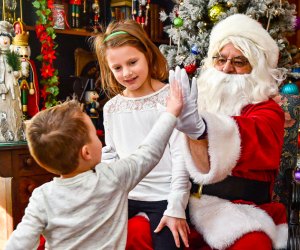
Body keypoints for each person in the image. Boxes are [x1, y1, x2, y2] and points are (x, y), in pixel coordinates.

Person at [130, 13, 288, 249]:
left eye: (239, 61)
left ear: (256, 68)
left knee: (253, 245)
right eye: (220, 59)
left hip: (240, 210)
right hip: (184, 203)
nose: (226, 68)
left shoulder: (267, 110)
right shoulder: (196, 100)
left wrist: (203, 129)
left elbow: (255, 132)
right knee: (135, 233)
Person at [4, 79, 184, 250]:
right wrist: (170, 113)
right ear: (86, 152)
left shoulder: (41, 197)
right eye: (95, 135)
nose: (100, 140)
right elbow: (149, 152)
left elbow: (19, 243)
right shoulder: (112, 178)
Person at [93, 19, 191, 249]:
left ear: (147, 54)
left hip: (164, 198)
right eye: (117, 68)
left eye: (132, 62)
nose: (126, 73)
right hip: (125, 198)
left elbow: (181, 158)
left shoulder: (171, 99)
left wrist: (176, 206)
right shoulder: (112, 108)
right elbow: (114, 157)